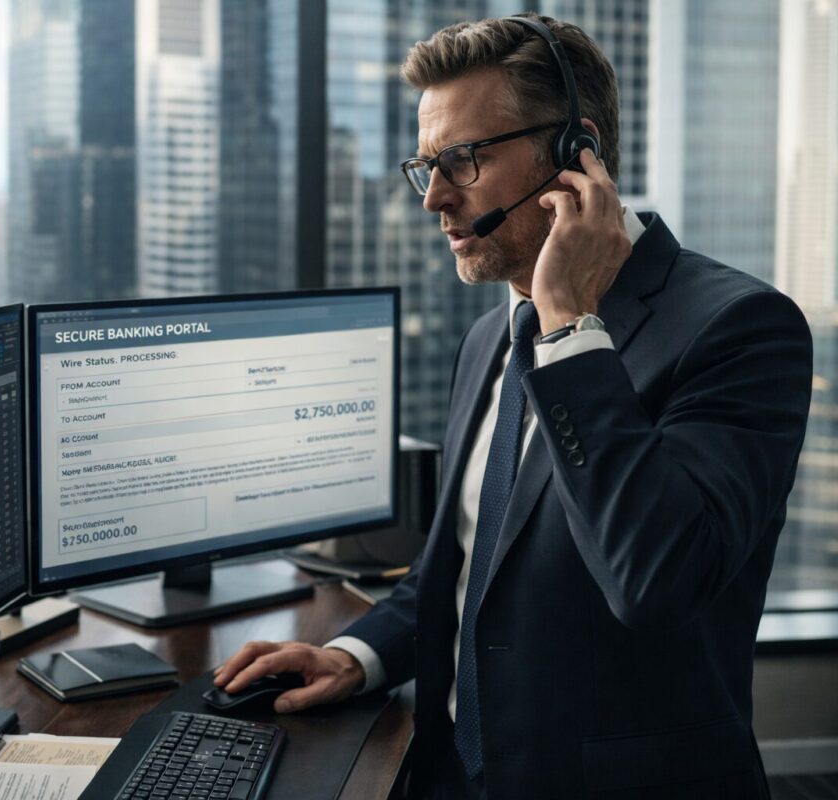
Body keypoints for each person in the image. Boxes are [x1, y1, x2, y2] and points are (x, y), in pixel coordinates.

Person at [213, 12, 812, 799]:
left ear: (575, 153)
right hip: (449, 772)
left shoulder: (737, 328)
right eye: (424, 166)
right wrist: (357, 657)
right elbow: (462, 563)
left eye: (461, 161)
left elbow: (657, 581)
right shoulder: (488, 338)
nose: (433, 201)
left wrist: (571, 326)